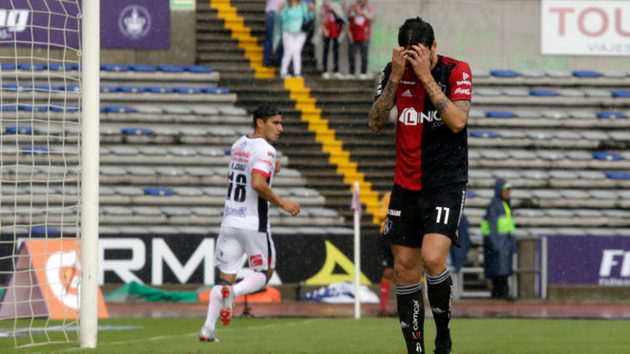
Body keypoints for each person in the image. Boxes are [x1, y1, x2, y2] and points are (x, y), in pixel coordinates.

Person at [368, 17, 472, 354]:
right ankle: (415, 349)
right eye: (408, 55)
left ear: (434, 48)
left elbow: (457, 121)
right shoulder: (393, 73)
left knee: (431, 258)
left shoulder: (457, 71)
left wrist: (426, 77)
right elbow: (374, 123)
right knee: (403, 268)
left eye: (420, 55)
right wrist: (396, 79)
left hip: (445, 181)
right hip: (405, 183)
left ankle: (443, 333)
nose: (414, 63)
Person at [199, 105, 301, 342]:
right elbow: (256, 183)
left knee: (225, 276)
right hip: (254, 222)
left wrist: (271, 172)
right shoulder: (266, 149)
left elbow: (237, 177)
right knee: (264, 272)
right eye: (275, 123)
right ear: (260, 123)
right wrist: (282, 202)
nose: (280, 128)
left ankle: (208, 328)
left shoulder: (238, 144)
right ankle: (232, 294)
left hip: (230, 220)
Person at [481, 179, 517, 300]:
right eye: (505, 190)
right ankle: (501, 293)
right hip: (499, 244)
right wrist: (495, 243)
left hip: (505, 244)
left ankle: (499, 293)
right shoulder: (494, 206)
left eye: (509, 190)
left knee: (503, 270)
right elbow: (491, 226)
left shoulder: (505, 205)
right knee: (499, 271)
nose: (508, 192)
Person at [279, 0, 315, 78]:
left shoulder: (304, 5)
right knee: (288, 52)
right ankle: (283, 72)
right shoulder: (285, 5)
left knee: (297, 51)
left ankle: (297, 73)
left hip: (301, 32)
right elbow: (283, 18)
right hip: (288, 32)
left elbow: (309, 17)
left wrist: (312, 10)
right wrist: (280, 10)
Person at [376, 191, 396, 317]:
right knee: (388, 272)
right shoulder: (389, 196)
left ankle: (404, 308)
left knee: (402, 272)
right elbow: (380, 215)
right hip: (388, 236)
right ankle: (383, 308)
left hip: (405, 236)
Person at [346, 0, 374, 79]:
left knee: (364, 55)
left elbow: (371, 17)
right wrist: (348, 31)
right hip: (353, 35)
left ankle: (363, 73)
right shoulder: (353, 7)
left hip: (364, 35)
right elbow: (348, 18)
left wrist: (363, 13)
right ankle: (351, 73)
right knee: (351, 55)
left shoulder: (369, 7)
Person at [320, 0, 347, 79]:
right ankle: (325, 70)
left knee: (336, 50)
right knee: (326, 50)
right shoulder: (326, 3)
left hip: (337, 28)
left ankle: (336, 71)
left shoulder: (341, 3)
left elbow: (343, 16)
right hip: (328, 28)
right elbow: (322, 16)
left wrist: (335, 11)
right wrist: (323, 29)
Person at [263, 0, 284, 67]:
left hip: (272, 13)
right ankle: (279, 61)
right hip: (279, 14)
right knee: (281, 39)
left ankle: (267, 60)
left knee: (270, 39)